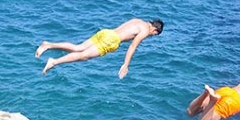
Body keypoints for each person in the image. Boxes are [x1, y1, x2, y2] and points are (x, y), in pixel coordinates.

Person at [35, 18, 164, 78]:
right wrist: (125, 65)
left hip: (107, 32)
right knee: (82, 56)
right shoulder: (145, 30)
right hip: (112, 40)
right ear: (155, 29)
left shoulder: (138, 21)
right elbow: (132, 46)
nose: (151, 36)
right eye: (154, 34)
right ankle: (54, 62)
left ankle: (48, 45)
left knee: (77, 48)